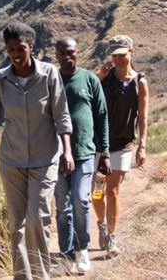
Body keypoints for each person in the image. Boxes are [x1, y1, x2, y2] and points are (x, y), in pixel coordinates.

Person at [0, 21, 75, 280]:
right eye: (11, 50)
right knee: (17, 224)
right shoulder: (1, 79)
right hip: (12, 161)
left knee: (37, 218)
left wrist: (67, 151)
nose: (16, 54)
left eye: (21, 48)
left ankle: (41, 275)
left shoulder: (49, 75)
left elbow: (61, 115)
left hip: (44, 158)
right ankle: (22, 276)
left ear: (31, 47)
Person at [52, 37, 110, 274]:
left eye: (71, 52)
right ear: (56, 55)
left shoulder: (90, 79)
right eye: (62, 53)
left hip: (85, 153)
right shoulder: (51, 80)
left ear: (78, 52)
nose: (67, 56)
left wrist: (104, 152)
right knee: (62, 207)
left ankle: (82, 249)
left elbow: (102, 116)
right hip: (56, 155)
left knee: (81, 200)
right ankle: (65, 257)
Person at [92, 34, 149, 256]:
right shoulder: (104, 78)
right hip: (99, 145)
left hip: (123, 144)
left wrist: (142, 146)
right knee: (97, 192)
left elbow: (143, 117)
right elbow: (90, 102)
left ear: (131, 53)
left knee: (113, 190)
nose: (117, 60)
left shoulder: (140, 82)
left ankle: (112, 238)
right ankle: (101, 225)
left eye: (122, 55)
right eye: (114, 55)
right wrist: (99, 77)